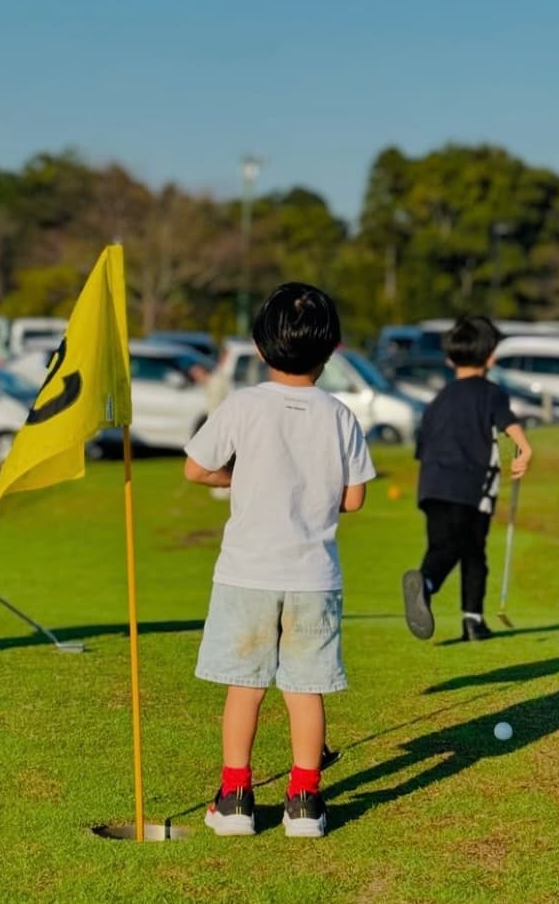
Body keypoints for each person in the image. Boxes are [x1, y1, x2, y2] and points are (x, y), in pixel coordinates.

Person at [184, 283, 375, 839]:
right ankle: (304, 804)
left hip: (246, 574)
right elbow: (355, 497)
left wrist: (238, 477)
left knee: (245, 686)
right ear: (333, 348)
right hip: (313, 577)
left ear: (259, 347)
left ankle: (236, 799)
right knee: (304, 691)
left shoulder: (242, 405)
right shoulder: (339, 414)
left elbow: (196, 468)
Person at [402, 315, 531, 644]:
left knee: (448, 545)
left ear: (449, 358)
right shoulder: (491, 394)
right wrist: (524, 449)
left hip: (432, 485)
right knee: (470, 550)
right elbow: (506, 423)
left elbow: (423, 448)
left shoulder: (438, 400)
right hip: (470, 487)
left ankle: (465, 615)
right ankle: (433, 588)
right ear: (491, 356)